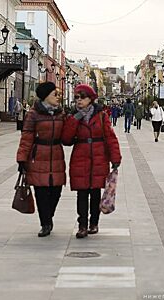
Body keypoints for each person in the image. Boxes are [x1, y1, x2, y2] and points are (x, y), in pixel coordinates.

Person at [62, 84, 122, 238]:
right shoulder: (72, 116)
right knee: (81, 194)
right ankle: (82, 225)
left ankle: (94, 223)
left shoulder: (101, 116)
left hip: (98, 157)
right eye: (77, 97)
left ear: (91, 99)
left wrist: (115, 158)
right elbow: (66, 139)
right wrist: (75, 119)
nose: (79, 100)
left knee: (95, 193)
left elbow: (110, 137)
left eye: (83, 97)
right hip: (80, 157)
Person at [16, 82, 66, 237]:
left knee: (56, 191)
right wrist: (22, 159)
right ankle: (45, 223)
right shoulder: (33, 114)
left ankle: (48, 216)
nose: (57, 97)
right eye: (54, 94)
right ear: (45, 96)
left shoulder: (61, 113)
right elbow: (26, 136)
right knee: (41, 192)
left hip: (56, 154)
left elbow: (68, 133)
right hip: (38, 156)